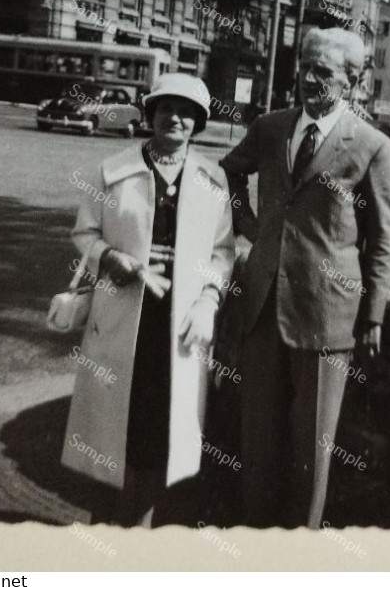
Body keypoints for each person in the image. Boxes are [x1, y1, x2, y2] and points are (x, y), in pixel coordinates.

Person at [220, 27, 390, 528]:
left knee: (312, 450)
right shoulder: (270, 127)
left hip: (327, 316)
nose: (307, 77)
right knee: (255, 444)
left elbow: (384, 237)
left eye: (322, 71)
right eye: (304, 64)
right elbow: (229, 171)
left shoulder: (371, 146)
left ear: (353, 80)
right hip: (261, 309)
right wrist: (249, 223)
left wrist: (373, 315)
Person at [61, 73, 235, 526]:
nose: (174, 118)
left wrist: (208, 301)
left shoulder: (212, 179)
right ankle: (107, 521)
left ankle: (144, 522)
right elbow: (85, 232)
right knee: (119, 416)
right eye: (165, 108)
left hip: (180, 318)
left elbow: (222, 251)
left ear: (197, 123)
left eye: (186, 112)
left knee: (166, 419)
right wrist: (110, 257)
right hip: (123, 310)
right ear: (150, 114)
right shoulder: (113, 170)